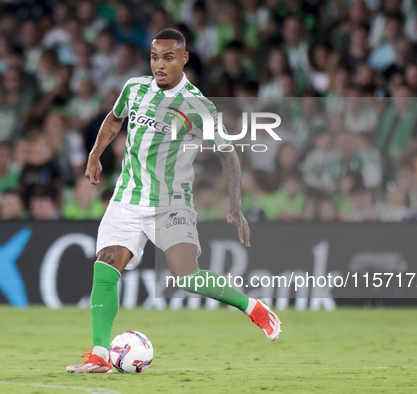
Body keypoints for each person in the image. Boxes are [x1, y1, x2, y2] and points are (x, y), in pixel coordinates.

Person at [66, 29, 281, 374]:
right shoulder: (134, 89)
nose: (159, 65)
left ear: (184, 59)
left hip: (172, 203)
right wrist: (95, 154)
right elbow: (114, 119)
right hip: (127, 198)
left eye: (168, 58)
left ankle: (253, 307)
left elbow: (229, 155)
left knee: (187, 277)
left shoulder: (198, 106)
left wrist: (235, 204)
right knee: (105, 267)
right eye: (155, 57)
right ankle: (100, 355)